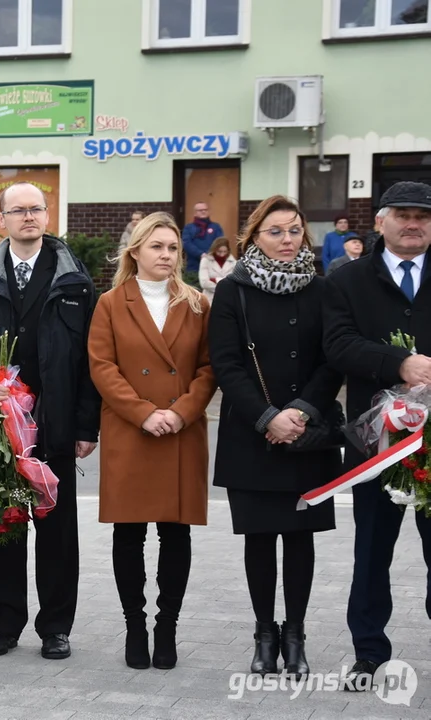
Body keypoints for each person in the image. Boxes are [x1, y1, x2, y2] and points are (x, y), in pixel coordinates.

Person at [0, 182, 101, 660]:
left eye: (36, 209)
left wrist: (84, 427)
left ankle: (55, 627)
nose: (28, 217)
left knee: (56, 531)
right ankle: (3, 624)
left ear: (47, 215)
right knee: (3, 526)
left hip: (52, 429)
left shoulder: (76, 282)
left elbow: (91, 361)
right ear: (2, 219)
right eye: (18, 210)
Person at [210, 195, 344, 677]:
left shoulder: (324, 289)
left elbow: (333, 358)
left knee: (301, 537)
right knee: (261, 538)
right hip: (254, 433)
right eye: (276, 232)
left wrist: (302, 411)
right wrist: (268, 416)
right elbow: (226, 364)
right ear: (254, 237)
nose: (287, 240)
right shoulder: (233, 290)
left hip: (309, 433)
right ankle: (264, 633)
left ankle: (296, 635)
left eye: (294, 230)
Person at [88, 212, 216, 671]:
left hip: (181, 431)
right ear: (135, 252)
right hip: (130, 429)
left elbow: (209, 368)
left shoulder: (198, 303)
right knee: (129, 533)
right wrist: (144, 413)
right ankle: (135, 627)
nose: (166, 255)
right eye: (157, 246)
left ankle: (167, 627)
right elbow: (103, 367)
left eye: (173, 248)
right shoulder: (109, 302)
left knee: (175, 533)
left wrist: (180, 412)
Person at [322, 181, 431, 690]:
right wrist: (400, 363)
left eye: (423, 217)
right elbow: (338, 344)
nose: (414, 224)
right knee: (372, 551)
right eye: (404, 215)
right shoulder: (347, 280)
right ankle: (368, 652)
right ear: (381, 221)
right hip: (376, 438)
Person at [181, 202, 224, 275]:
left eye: (205, 209)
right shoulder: (189, 228)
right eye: (200, 210)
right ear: (195, 213)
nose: (203, 211)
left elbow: (220, 242)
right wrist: (200, 254)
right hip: (193, 266)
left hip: (213, 264)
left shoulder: (216, 227)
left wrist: (209, 254)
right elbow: (186, 243)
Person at [198, 236, 237, 300]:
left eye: (225, 251)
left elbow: (234, 283)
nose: (222, 254)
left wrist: (214, 280)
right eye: (219, 251)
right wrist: (224, 287)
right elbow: (204, 283)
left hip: (228, 299)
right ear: (214, 249)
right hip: (210, 299)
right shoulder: (206, 260)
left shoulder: (233, 262)